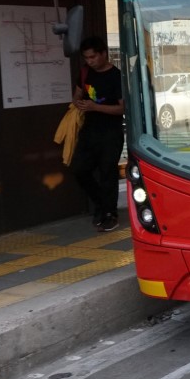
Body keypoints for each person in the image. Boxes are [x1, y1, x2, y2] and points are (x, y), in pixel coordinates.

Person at [70, 36, 125, 232]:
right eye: (86, 58)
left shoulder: (116, 76)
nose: (90, 61)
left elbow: (121, 109)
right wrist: (79, 102)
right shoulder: (85, 72)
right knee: (79, 169)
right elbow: (77, 94)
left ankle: (110, 214)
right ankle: (102, 204)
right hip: (89, 131)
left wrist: (95, 106)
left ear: (103, 54)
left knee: (107, 172)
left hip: (111, 132)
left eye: (93, 57)